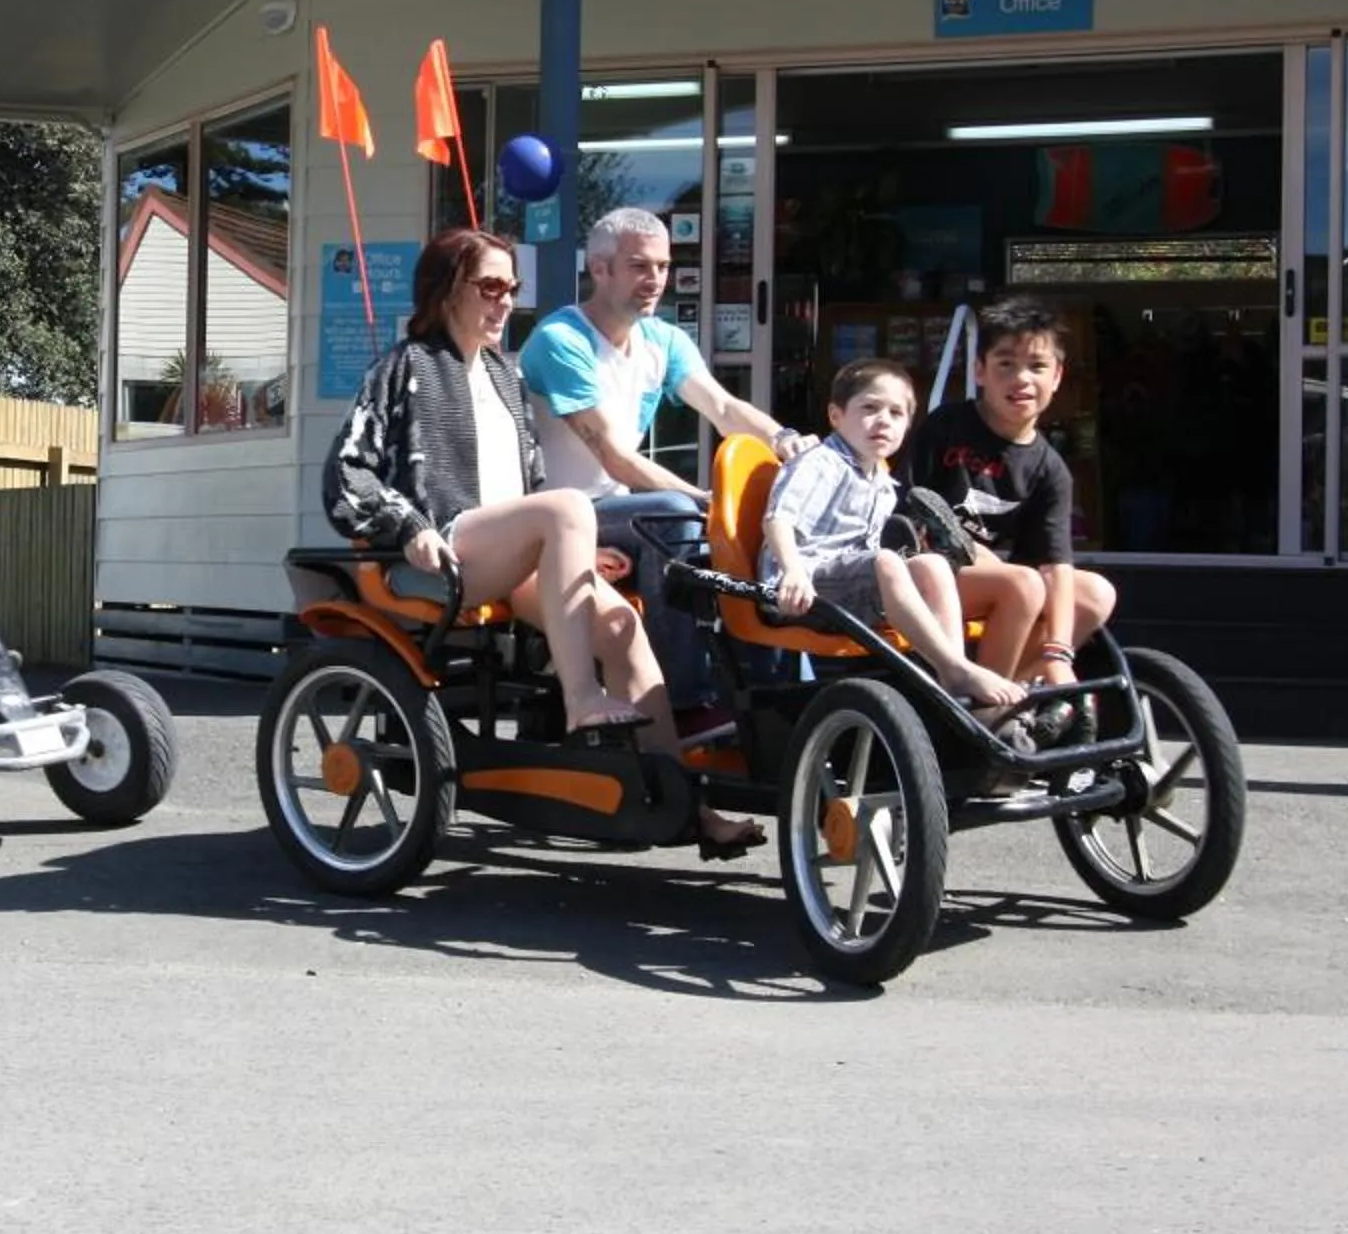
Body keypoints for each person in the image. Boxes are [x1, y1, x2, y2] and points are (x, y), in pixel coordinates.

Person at [329, 227, 763, 853]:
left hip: (511, 555)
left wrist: (578, 550)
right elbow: (348, 470)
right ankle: (581, 699)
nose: (506, 301)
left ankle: (686, 806)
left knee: (623, 629)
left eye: (512, 287)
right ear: (449, 291)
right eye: (490, 287)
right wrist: (410, 527)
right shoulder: (405, 366)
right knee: (567, 506)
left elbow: (530, 482)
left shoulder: (505, 376)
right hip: (443, 549)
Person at [516, 205, 803, 711]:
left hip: (613, 508)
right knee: (676, 514)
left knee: (759, 523)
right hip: (561, 514)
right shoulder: (562, 341)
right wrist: (704, 500)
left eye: (663, 266)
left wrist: (785, 439)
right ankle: (683, 702)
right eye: (639, 266)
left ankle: (772, 698)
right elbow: (616, 458)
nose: (655, 280)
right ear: (599, 268)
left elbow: (722, 408)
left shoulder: (662, 340)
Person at [761, 359, 1026, 713]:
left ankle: (951, 668)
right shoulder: (820, 462)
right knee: (886, 560)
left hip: (848, 588)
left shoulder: (883, 483)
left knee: (931, 564)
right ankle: (955, 669)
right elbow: (778, 518)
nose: (883, 420)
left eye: (896, 413)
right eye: (869, 408)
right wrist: (792, 571)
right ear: (836, 416)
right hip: (797, 587)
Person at [905, 296, 1111, 735]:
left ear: (1057, 376)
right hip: (928, 571)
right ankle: (982, 714)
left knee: (1096, 593)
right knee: (1023, 583)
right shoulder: (947, 426)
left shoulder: (1050, 469)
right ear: (980, 371)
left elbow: (1055, 564)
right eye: (1005, 364)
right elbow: (910, 507)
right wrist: (975, 555)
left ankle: (1016, 685)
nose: (1021, 379)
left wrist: (1059, 652)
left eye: (1037, 366)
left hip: (1000, 581)